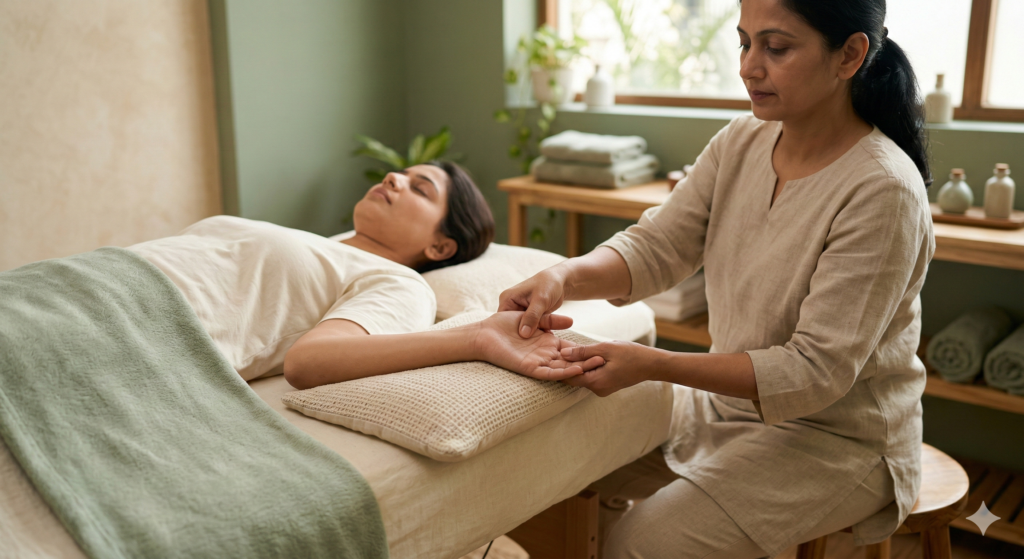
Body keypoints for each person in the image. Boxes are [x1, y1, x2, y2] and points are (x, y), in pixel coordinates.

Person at [499, 0, 935, 557]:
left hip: (837, 440)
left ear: (850, 54)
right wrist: (563, 275)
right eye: (744, 43)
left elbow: (815, 370)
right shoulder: (741, 142)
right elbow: (657, 245)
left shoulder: (883, 190)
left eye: (776, 48)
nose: (749, 66)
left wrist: (652, 365)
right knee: (556, 469)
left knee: (644, 542)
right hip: (725, 407)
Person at [130, 161, 597, 389]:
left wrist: (476, 337)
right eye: (400, 173)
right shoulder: (324, 248)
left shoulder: (398, 282)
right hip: (106, 278)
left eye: (420, 188)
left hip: (135, 323)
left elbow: (309, 361)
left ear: (439, 246)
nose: (393, 177)